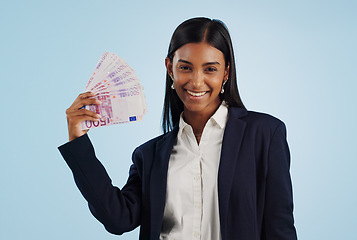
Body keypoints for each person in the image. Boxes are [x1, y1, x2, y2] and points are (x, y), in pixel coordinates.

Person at [59, 17, 297, 240]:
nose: (196, 81)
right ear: (169, 67)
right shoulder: (150, 155)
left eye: (210, 69)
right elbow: (118, 219)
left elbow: (279, 227)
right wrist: (78, 140)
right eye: (185, 67)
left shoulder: (265, 134)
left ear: (226, 72)